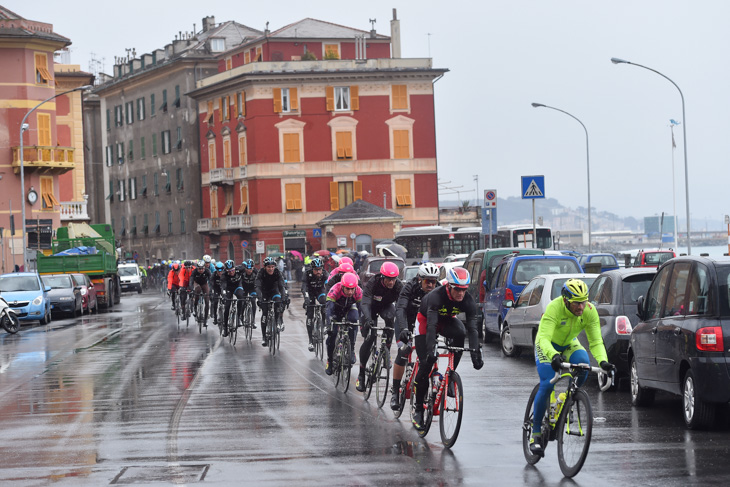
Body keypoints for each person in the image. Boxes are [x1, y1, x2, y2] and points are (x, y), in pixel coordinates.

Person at [529, 278, 614, 456]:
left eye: (584, 302)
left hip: (568, 343)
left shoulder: (589, 311)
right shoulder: (554, 307)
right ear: (566, 300)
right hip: (547, 345)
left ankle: (565, 398)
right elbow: (544, 338)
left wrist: (603, 362)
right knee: (547, 383)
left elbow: (596, 341)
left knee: (583, 365)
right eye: (577, 303)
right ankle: (535, 434)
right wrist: (553, 356)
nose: (581, 307)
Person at [411, 267, 483, 431]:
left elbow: (473, 330)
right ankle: (419, 409)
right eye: (457, 289)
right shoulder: (437, 296)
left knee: (461, 332)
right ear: (449, 286)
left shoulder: (468, 300)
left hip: (446, 321)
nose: (460, 294)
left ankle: (449, 377)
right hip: (426, 321)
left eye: (464, 290)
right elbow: (430, 326)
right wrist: (430, 351)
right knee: (425, 364)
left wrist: (475, 354)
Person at [390, 262, 440, 409]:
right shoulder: (410, 288)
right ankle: (395, 391)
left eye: (433, 281)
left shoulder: (438, 290)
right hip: (407, 321)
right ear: (419, 279)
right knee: (404, 350)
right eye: (427, 281)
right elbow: (400, 309)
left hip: (425, 324)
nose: (430, 284)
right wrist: (404, 328)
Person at [355, 261, 404, 392]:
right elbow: (364, 303)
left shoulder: (398, 285)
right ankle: (361, 374)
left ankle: (386, 350)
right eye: (388, 279)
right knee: (370, 338)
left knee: (391, 317)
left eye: (393, 279)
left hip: (385, 306)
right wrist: (369, 320)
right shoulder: (373, 282)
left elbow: (400, 306)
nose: (391, 283)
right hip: (370, 307)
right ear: (382, 277)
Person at [324, 272, 362, 376]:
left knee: (354, 319)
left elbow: (362, 309)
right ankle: (330, 361)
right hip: (336, 310)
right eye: (347, 289)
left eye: (352, 289)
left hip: (349, 308)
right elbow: (329, 310)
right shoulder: (335, 289)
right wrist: (329, 324)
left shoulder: (358, 291)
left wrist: (364, 323)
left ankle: (352, 349)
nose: (350, 292)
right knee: (333, 334)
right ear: (342, 286)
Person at [255, 256, 287, 347]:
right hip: (264, 293)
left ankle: (277, 321)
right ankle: (264, 337)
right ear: (265, 267)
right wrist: (259, 298)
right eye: (269, 267)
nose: (271, 269)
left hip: (274, 291)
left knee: (278, 302)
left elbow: (281, 286)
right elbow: (257, 286)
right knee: (265, 313)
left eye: (272, 267)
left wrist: (284, 297)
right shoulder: (261, 273)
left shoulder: (277, 272)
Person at [301, 257, 327, 352]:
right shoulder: (307, 274)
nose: (318, 271)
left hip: (320, 292)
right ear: (312, 269)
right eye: (316, 270)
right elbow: (304, 288)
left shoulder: (325, 274)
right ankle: (311, 341)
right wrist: (306, 298)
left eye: (320, 269)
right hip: (310, 293)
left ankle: (323, 325)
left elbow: (328, 287)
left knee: (324, 303)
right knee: (310, 316)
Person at [221, 259, 244, 337]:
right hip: (228, 289)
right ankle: (225, 327)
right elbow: (223, 286)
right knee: (227, 306)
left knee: (241, 297)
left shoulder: (239, 269)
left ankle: (239, 318)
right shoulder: (224, 275)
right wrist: (224, 295)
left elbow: (248, 268)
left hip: (237, 287)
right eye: (229, 271)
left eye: (232, 270)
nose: (231, 272)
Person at [189, 259, 212, 325]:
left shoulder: (207, 271)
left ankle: (205, 319)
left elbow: (210, 281)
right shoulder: (194, 272)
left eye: (202, 269)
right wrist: (191, 289)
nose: (201, 270)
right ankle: (195, 308)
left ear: (204, 268)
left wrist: (211, 290)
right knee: (197, 291)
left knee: (207, 300)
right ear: (197, 268)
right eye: (199, 269)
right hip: (197, 283)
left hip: (204, 283)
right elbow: (191, 281)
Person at [240, 259, 258, 328]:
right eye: (247, 269)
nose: (249, 271)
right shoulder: (242, 272)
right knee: (243, 302)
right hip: (244, 288)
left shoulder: (256, 272)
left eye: (251, 269)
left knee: (253, 301)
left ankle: (253, 320)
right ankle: (241, 317)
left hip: (252, 288)